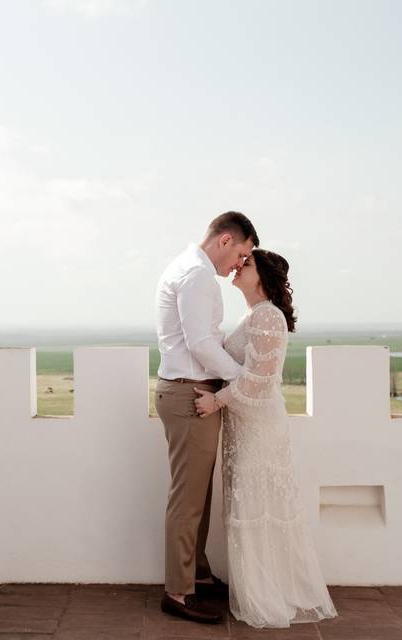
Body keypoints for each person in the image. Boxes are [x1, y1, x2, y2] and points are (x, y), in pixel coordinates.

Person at [193, 249, 339, 628]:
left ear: (263, 277)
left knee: (258, 507)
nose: (239, 267)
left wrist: (217, 401)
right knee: (248, 505)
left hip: (258, 429)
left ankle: (268, 595)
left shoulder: (269, 317)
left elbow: (260, 380)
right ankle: (257, 587)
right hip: (244, 426)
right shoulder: (254, 315)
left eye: (248, 264)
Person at [154, 211, 258, 624]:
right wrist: (243, 379)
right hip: (188, 393)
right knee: (187, 497)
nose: (239, 264)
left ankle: (195, 574)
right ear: (226, 239)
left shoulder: (192, 269)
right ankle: (177, 593)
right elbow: (200, 343)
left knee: (199, 495)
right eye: (242, 254)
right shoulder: (196, 275)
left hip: (191, 390)